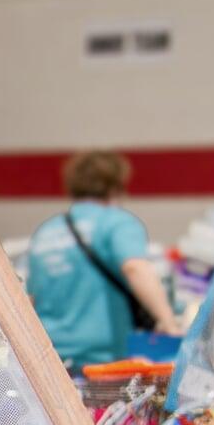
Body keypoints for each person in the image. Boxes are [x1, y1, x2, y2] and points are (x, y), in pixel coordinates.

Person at [26, 150, 183, 370]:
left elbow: (31, 297)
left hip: (48, 355)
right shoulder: (116, 223)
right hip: (100, 358)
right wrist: (168, 322)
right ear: (116, 184)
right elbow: (134, 268)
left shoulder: (46, 231)